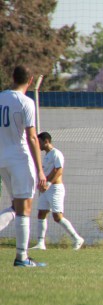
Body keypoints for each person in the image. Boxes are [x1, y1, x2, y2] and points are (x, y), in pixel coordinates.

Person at [0, 65, 47, 267]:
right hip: (19, 159)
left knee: (16, 206)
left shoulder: (1, 98)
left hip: (2, 160)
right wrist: (40, 171)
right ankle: (22, 258)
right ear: (31, 80)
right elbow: (32, 137)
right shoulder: (26, 102)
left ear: (13, 77)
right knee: (24, 208)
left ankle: (22, 257)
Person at [30, 132, 84, 250]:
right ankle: (40, 243)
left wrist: (49, 184)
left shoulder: (56, 153)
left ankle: (77, 239)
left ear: (46, 141)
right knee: (41, 213)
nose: (38, 145)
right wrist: (42, 184)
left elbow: (58, 170)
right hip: (46, 190)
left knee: (57, 217)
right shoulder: (46, 155)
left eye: (39, 142)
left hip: (55, 189)